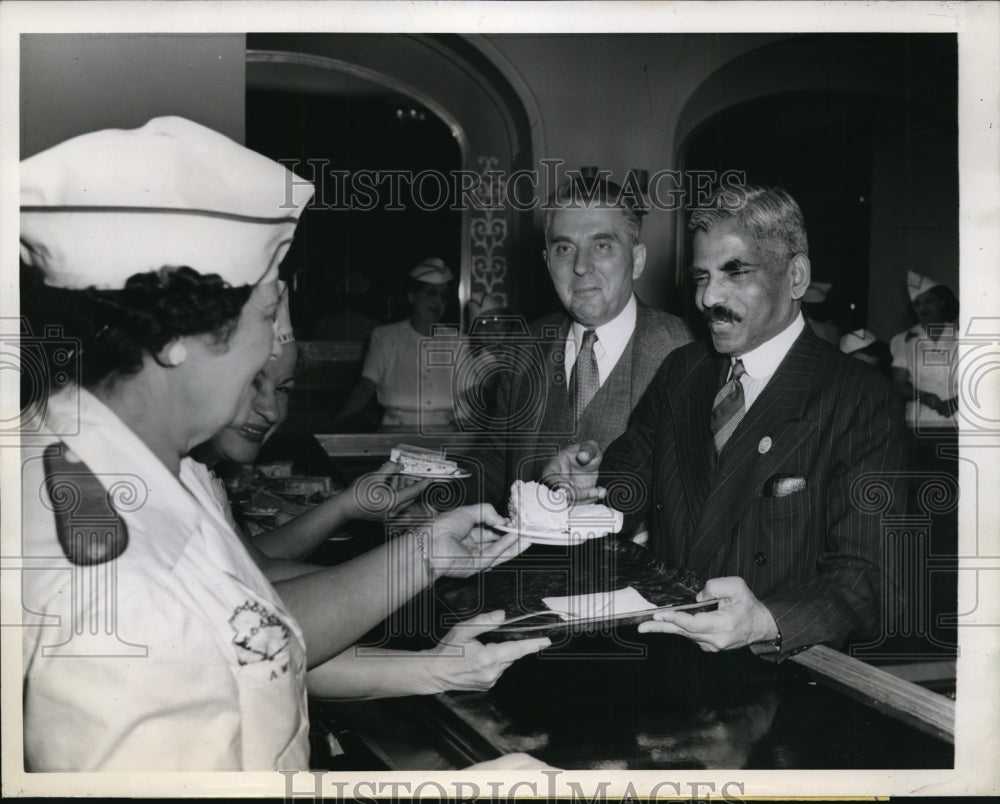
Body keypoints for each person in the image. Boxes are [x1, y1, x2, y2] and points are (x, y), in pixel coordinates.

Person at [18, 117, 530, 771]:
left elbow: (250, 639)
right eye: (265, 316)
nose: (272, 349)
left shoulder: (146, 465)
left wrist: (434, 619)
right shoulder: (114, 585)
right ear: (175, 340)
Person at [543, 185, 906, 659]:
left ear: (796, 277)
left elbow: (869, 578)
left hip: (779, 673)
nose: (708, 296)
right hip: (664, 656)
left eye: (735, 272)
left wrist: (767, 621)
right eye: (702, 276)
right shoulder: (683, 371)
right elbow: (626, 487)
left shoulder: (858, 398)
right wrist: (589, 488)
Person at [190, 295, 551, 698]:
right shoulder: (152, 486)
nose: (271, 410)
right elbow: (259, 633)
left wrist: (435, 663)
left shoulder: (193, 472)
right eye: (251, 382)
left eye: (284, 389)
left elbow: (257, 577)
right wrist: (423, 559)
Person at [468, 176, 692, 509]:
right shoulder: (524, 347)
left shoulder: (687, 351)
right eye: (564, 248)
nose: (581, 266)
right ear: (547, 263)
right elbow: (495, 463)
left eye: (602, 245)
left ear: (638, 260)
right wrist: (431, 495)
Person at [335, 258, 464, 431]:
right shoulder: (385, 337)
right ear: (411, 296)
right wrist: (337, 421)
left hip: (445, 433)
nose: (438, 302)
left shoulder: (457, 341)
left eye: (443, 296)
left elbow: (470, 393)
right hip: (395, 432)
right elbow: (366, 386)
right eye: (431, 293)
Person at [890, 271, 959, 430]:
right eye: (917, 304)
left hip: (961, 415)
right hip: (922, 417)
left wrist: (955, 403)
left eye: (929, 301)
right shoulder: (904, 340)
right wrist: (927, 398)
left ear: (941, 303)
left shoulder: (961, 335)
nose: (923, 308)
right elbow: (897, 384)